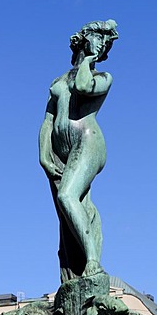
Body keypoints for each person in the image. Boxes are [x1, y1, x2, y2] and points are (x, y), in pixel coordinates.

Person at [39, 20, 118, 283]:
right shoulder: (59, 80)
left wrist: (89, 60)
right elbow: (48, 120)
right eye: (97, 38)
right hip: (59, 151)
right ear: (84, 39)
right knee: (71, 211)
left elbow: (83, 87)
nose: (101, 44)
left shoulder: (102, 77)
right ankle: (75, 270)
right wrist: (43, 154)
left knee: (67, 196)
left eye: (104, 43)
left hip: (88, 141)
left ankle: (94, 262)